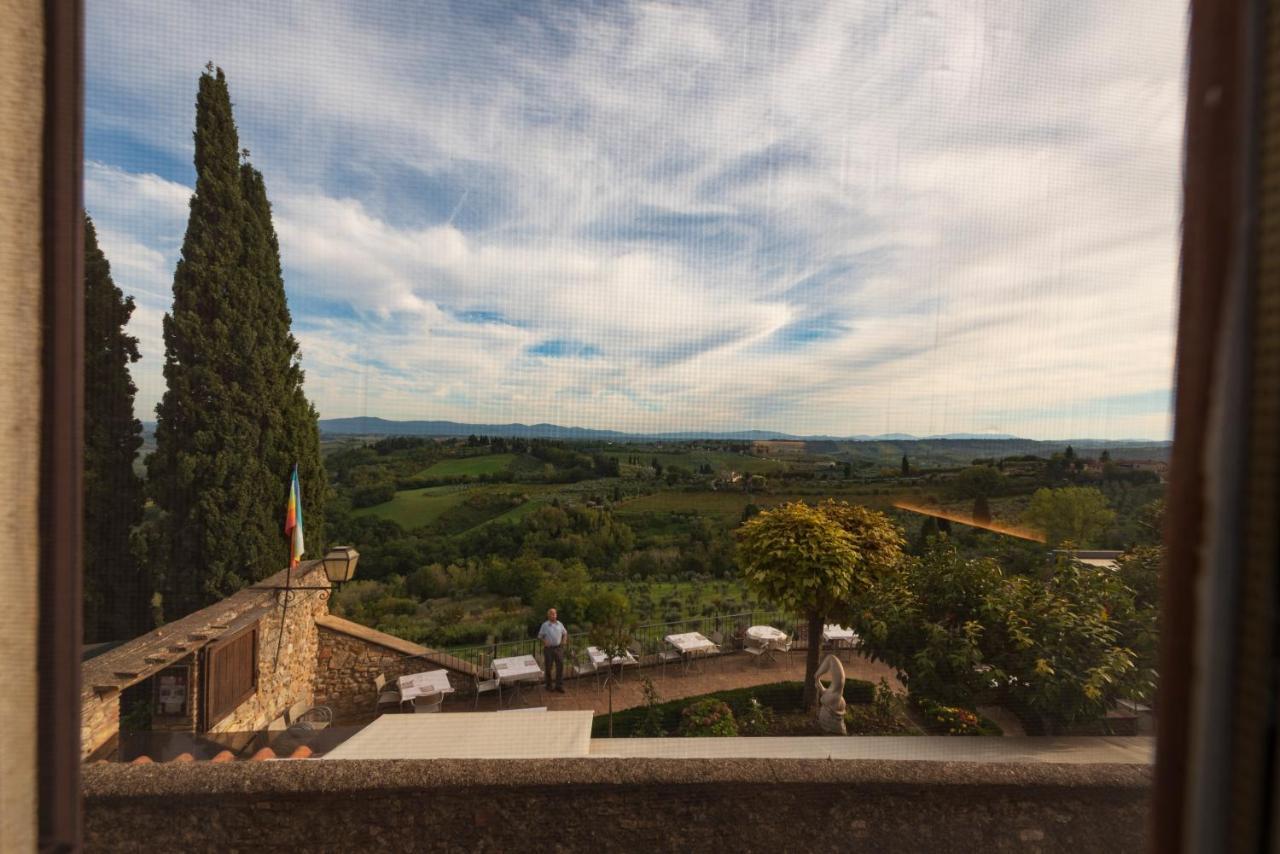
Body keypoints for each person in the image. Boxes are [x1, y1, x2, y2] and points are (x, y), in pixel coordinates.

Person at [537, 607, 568, 693]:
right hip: (549, 649)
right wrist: (544, 641)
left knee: (560, 667)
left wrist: (564, 640)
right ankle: (549, 685)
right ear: (548, 615)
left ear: (556, 615)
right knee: (548, 668)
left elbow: (565, 633)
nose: (553, 615)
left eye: (554, 614)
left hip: (558, 648)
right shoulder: (545, 625)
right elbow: (539, 636)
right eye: (551, 614)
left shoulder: (559, 624)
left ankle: (559, 686)